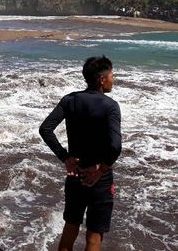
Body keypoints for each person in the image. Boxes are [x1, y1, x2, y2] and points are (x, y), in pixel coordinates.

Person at [39, 56, 122, 251]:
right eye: (112, 75)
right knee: (94, 236)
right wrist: (100, 170)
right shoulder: (110, 106)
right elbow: (115, 146)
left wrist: (65, 158)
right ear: (102, 79)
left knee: (70, 228)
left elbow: (45, 129)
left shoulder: (70, 100)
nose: (114, 79)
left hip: (75, 174)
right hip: (99, 179)